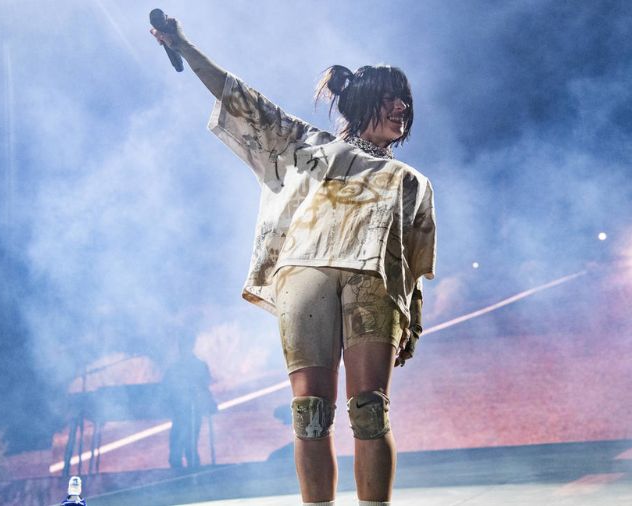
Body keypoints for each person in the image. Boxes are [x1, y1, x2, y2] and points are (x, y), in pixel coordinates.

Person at [151, 17, 436, 506]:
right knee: (310, 411)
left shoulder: (411, 181)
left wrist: (411, 322)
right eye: (390, 97)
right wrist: (183, 45)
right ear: (363, 101)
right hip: (306, 272)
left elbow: (412, 265)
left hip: (374, 283)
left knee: (370, 408)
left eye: (404, 100)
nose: (401, 107)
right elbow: (238, 96)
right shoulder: (306, 146)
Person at [162, 339, 216, 469]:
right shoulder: (175, 368)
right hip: (180, 413)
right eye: (181, 346)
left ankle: (192, 478)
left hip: (193, 412)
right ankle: (181, 478)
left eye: (185, 345)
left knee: (189, 448)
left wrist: (208, 402)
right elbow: (166, 388)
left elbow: (204, 386)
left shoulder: (199, 366)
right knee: (177, 451)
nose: (182, 349)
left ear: (191, 346)